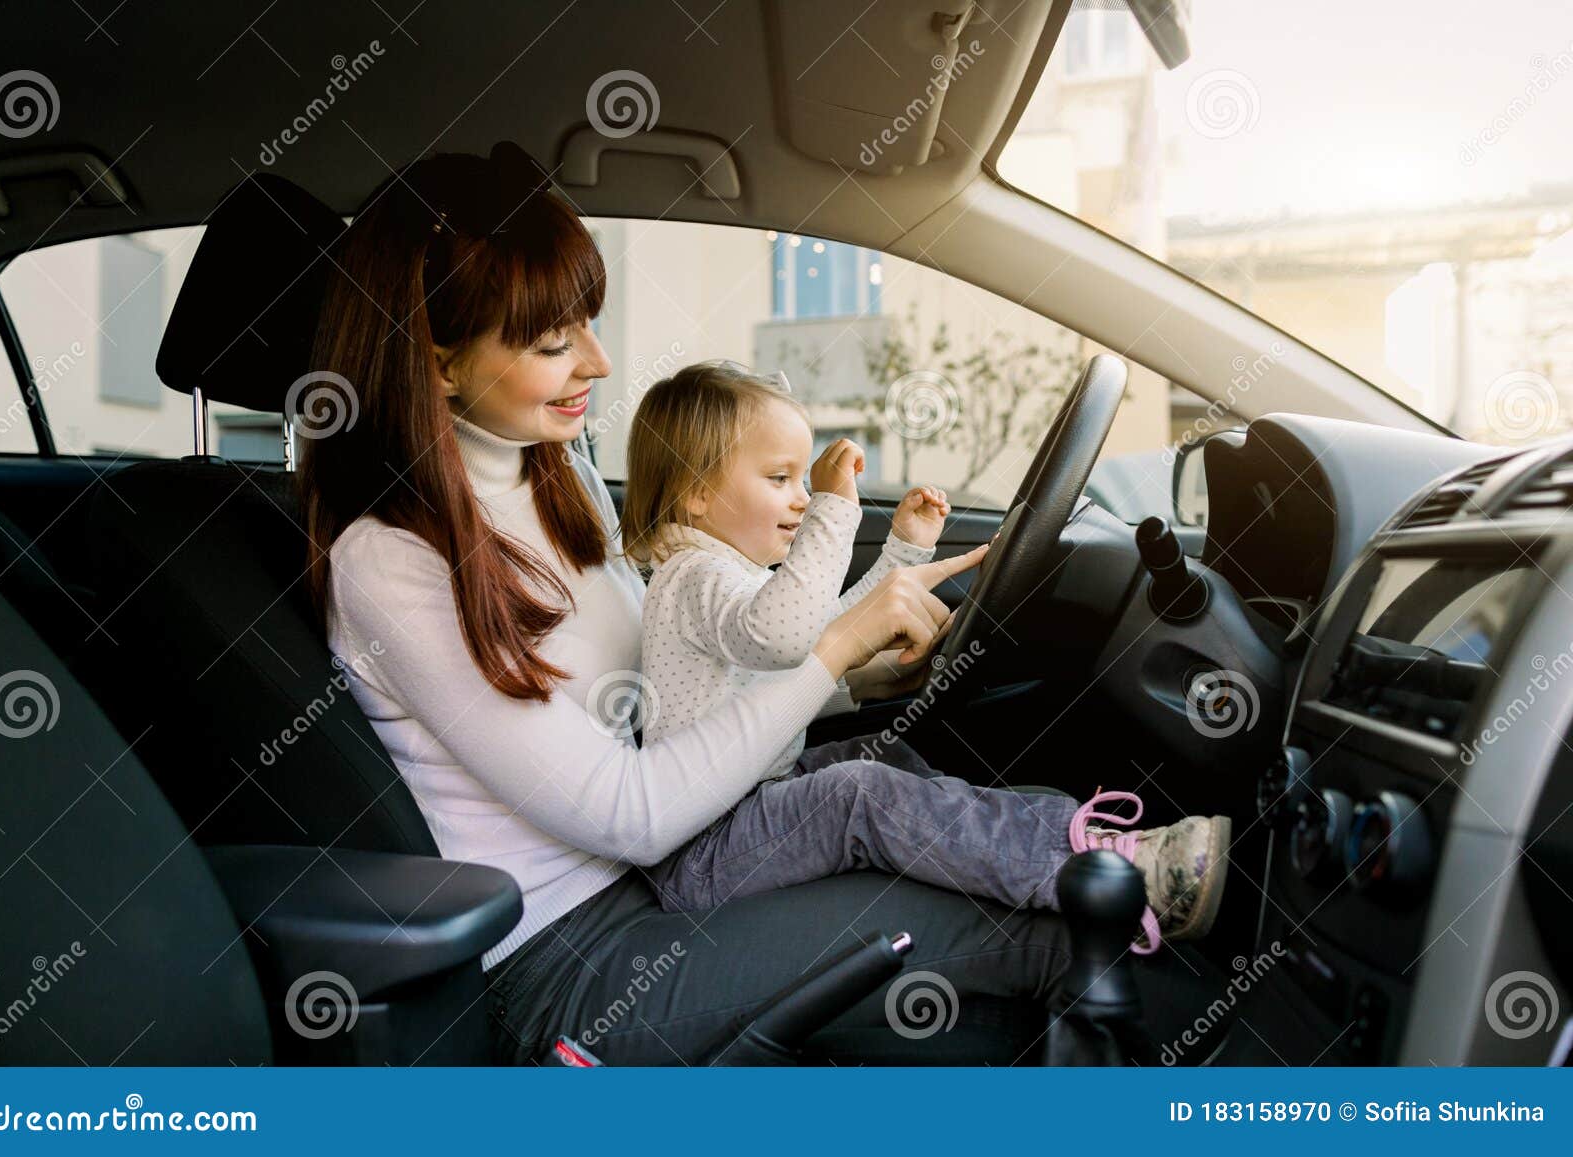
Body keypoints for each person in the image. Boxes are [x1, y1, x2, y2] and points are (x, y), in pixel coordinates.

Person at [299, 145, 1214, 1066]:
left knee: (981, 841)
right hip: (569, 961)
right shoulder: (393, 560)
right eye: (551, 343)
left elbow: (674, 698)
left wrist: (850, 674)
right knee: (1045, 923)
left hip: (669, 868)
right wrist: (833, 645)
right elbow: (632, 810)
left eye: (588, 323)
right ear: (439, 360)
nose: (598, 360)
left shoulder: (555, 478)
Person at [619, 362, 1231, 950]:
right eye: (780, 480)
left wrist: (902, 555)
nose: (802, 497)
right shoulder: (695, 577)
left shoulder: (723, 573)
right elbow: (789, 636)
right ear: (696, 494)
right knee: (860, 794)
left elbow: (822, 632)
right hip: (701, 850)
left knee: (882, 757)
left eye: (805, 482)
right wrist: (835, 510)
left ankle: (1039, 840)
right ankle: (1103, 876)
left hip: (742, 801)